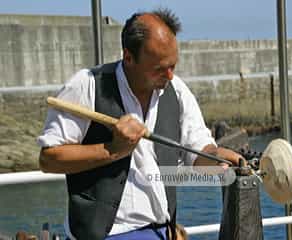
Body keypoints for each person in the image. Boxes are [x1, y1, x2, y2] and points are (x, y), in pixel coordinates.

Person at [38, 8, 243, 240]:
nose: (169, 75)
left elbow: (198, 154)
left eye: (173, 66)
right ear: (128, 57)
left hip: (163, 231)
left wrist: (221, 159)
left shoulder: (177, 91)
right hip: (105, 235)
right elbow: (49, 159)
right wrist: (113, 150)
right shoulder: (87, 86)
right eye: (159, 68)